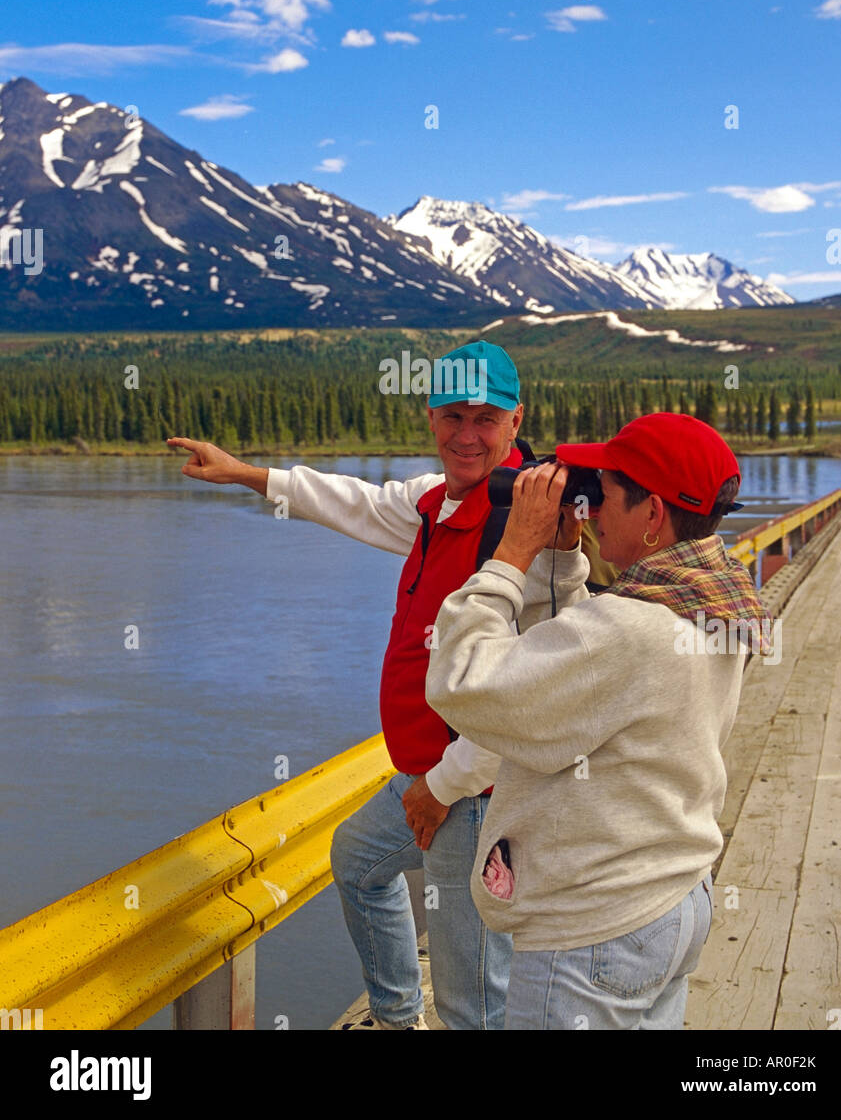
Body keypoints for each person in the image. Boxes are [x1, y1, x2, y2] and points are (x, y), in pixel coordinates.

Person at [168, 340, 606, 1030]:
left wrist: (445, 785)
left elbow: (530, 700)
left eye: (485, 419)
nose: (467, 435)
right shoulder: (437, 506)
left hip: (479, 792)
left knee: (475, 1002)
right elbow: (354, 501)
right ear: (429, 419)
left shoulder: (522, 525)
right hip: (431, 778)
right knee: (359, 857)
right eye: (451, 415)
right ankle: (397, 1015)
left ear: (516, 422)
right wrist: (246, 474)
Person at [426, 412, 772, 1030]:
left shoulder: (630, 629)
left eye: (605, 492)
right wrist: (558, 565)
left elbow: (462, 681)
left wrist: (511, 554)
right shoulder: (710, 601)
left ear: (654, 515)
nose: (590, 508)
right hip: (670, 900)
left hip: (594, 932)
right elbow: (592, 673)